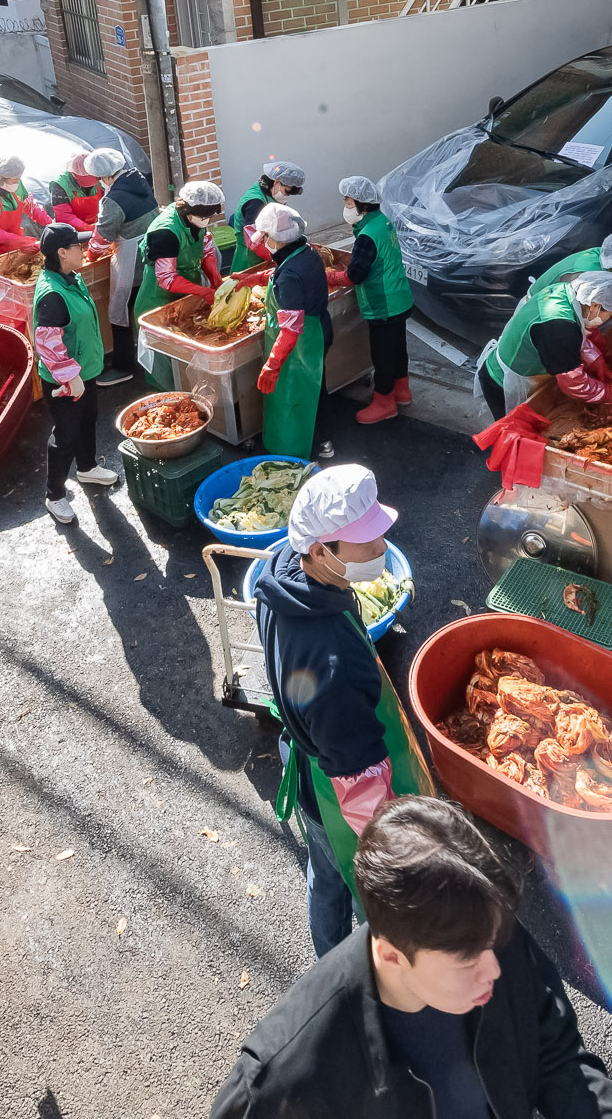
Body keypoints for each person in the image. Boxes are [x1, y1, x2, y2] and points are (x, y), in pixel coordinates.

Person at [210, 796, 612, 1119]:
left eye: (494, 944)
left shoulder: (481, 930)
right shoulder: (283, 1077)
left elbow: (555, 1055)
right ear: (393, 956)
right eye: (467, 962)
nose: (496, 970)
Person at [251, 466, 431, 955]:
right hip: (339, 788)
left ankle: (326, 955)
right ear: (320, 550)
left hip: (303, 761)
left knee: (323, 874)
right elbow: (363, 794)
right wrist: (399, 854)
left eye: (378, 534)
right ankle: (353, 977)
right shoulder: (332, 667)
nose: (380, 549)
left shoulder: (283, 574)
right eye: (366, 543)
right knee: (367, 897)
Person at [32, 224, 122, 524]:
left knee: (87, 420)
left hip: (85, 371)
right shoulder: (52, 294)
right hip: (65, 380)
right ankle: (54, 495)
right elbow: (47, 341)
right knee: (65, 435)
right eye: (77, 247)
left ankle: (87, 467)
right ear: (62, 253)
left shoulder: (71, 278)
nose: (82, 251)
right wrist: (69, 377)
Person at [243, 203, 345, 461]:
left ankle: (295, 454)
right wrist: (251, 279)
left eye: (265, 236)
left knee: (294, 395)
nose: (263, 241)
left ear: (275, 239)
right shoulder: (306, 252)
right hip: (320, 328)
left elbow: (290, 330)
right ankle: (325, 439)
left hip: (301, 343)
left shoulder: (289, 273)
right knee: (316, 386)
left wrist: (272, 365)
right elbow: (281, 273)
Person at [476, 271, 612, 421]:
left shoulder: (564, 291)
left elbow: (575, 334)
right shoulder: (560, 328)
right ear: (595, 306)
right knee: (510, 430)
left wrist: (595, 358)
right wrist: (609, 393)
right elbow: (573, 384)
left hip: (511, 362)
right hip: (504, 382)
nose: (608, 319)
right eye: (610, 314)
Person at [132, 180, 226, 386]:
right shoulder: (165, 231)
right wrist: (203, 291)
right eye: (204, 217)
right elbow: (167, 279)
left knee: (187, 356)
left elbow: (207, 249)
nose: (207, 221)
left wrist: (215, 279)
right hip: (158, 298)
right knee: (166, 362)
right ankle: (165, 395)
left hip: (187, 292)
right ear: (188, 212)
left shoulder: (197, 220)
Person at [339, 176, 413, 424]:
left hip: (383, 304)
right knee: (398, 349)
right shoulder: (383, 222)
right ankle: (402, 392)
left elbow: (354, 276)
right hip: (400, 298)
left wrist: (329, 275)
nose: (346, 207)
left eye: (348, 202)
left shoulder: (367, 236)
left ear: (361, 203)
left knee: (382, 356)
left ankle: (384, 403)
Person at [88, 148, 156, 383]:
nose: (99, 183)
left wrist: (90, 255)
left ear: (106, 177)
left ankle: (124, 366)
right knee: (147, 308)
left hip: (131, 260)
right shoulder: (139, 180)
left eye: (99, 178)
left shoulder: (114, 199)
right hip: (152, 254)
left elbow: (102, 237)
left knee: (119, 311)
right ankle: (152, 356)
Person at [225, 159, 306, 274]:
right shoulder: (254, 203)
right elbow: (255, 240)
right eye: (286, 192)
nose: (287, 196)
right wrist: (284, 256)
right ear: (277, 182)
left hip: (270, 252)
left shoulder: (270, 191)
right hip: (250, 259)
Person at [46, 151, 110, 226]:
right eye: (84, 178)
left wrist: (102, 225)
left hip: (97, 223)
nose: (89, 185)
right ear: (72, 173)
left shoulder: (100, 177)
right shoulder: (60, 185)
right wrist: (88, 228)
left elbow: (108, 205)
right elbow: (64, 216)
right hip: (71, 229)